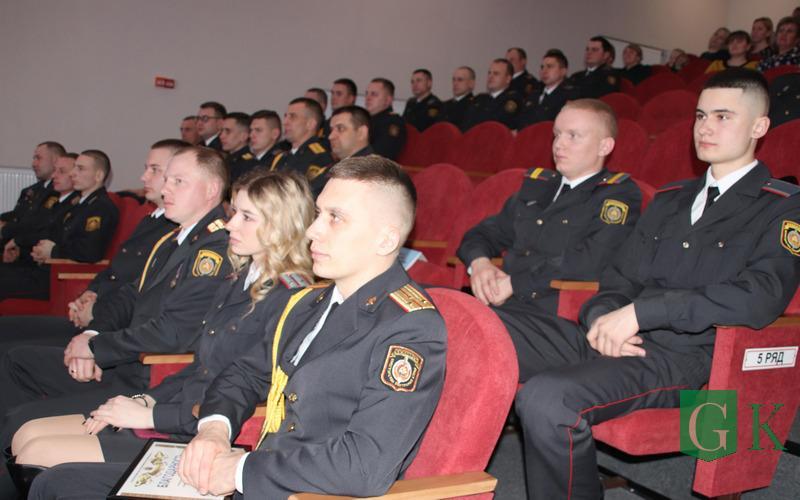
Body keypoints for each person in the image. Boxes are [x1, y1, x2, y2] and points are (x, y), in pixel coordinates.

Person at [30, 155, 447, 500]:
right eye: (319, 214)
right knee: (59, 482)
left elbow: (364, 466)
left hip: (289, 488)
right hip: (248, 469)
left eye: (335, 218)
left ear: (385, 239)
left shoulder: (409, 328)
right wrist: (214, 429)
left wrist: (241, 469)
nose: (313, 230)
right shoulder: (310, 301)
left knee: (58, 484)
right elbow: (244, 374)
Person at [514, 68, 800, 499]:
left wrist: (641, 313)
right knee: (482, 331)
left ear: (759, 127)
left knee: (546, 399)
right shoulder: (671, 199)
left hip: (683, 356)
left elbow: (760, 297)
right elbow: (619, 277)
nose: (705, 127)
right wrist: (601, 316)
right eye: (701, 115)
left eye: (723, 116)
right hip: (616, 335)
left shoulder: (782, 207)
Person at [7, 171, 315, 496]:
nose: (230, 225)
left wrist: (150, 415)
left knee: (39, 455)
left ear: (281, 225)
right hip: (176, 411)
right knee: (27, 436)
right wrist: (144, 399)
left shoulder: (290, 297)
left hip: (201, 432)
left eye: (247, 217)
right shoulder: (240, 279)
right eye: (234, 212)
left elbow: (248, 392)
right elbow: (201, 368)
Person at [0, 146, 231, 450]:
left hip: (149, 377)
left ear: (211, 190)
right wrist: (92, 336)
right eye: (167, 180)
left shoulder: (212, 252)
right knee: (15, 362)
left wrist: (98, 349)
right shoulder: (172, 238)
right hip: (122, 361)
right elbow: (130, 295)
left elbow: (173, 333)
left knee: (19, 421)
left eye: (179, 182)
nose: (165, 189)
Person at [458, 99, 641, 379]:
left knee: (458, 329)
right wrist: (480, 264)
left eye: (573, 136)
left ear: (604, 146)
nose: (559, 144)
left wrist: (515, 283)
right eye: (557, 134)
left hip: (551, 318)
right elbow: (480, 234)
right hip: (505, 307)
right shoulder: (538, 187)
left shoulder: (617, 196)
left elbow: (587, 260)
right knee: (419, 302)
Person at [0, 142, 184, 361]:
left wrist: (95, 311)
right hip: (98, 313)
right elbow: (114, 269)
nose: (143, 177)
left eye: (154, 169)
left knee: (12, 354)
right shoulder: (150, 220)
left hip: (112, 329)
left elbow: (134, 289)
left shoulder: (174, 232)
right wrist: (90, 294)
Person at [0, 150, 118, 301]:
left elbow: (89, 251)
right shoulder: (80, 204)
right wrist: (40, 249)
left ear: (98, 176)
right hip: (45, 269)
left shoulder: (101, 207)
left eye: (80, 169)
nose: (73, 173)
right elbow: (54, 233)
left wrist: (53, 251)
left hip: (59, 278)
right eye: (74, 168)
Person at [2, 153, 78, 266]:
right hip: (32, 255)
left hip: (53, 266)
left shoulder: (76, 205)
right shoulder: (55, 198)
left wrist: (17, 241)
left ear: (76, 175)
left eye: (61, 171)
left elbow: (51, 236)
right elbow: (33, 225)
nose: (54, 176)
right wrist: (19, 251)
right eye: (55, 170)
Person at [0, 142, 65, 239]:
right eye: (34, 158)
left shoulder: (59, 191)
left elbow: (37, 223)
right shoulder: (31, 190)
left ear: (56, 160)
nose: (33, 164)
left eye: (39, 158)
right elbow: (18, 214)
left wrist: (5, 230)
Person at [269, 98, 333, 188]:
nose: (285, 122)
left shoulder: (319, 157)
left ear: (310, 124)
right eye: (285, 116)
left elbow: (309, 191)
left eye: (293, 117)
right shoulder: (280, 157)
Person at [517, 49, 579, 129]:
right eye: (542, 67)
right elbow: (521, 120)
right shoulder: (534, 94)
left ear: (563, 71)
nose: (544, 71)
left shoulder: (571, 95)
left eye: (549, 66)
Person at [461, 58, 523, 131]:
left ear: (508, 79)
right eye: (489, 73)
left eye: (496, 73)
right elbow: (466, 124)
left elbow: (499, 124)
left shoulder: (513, 99)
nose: (490, 76)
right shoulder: (479, 99)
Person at [365, 77, 406, 160]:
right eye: (367, 93)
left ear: (388, 100)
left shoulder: (392, 122)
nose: (368, 98)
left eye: (374, 94)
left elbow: (380, 155)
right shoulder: (365, 119)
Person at [220, 112, 256, 185]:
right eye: (221, 131)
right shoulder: (227, 158)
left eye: (228, 131)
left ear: (243, 136)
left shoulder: (247, 163)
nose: (221, 136)